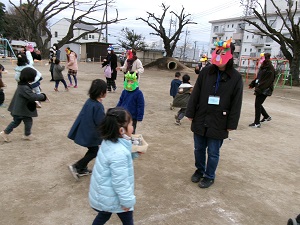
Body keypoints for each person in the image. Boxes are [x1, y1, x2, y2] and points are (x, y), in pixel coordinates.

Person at [186, 38, 243, 188]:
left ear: (230, 55)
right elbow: (196, 93)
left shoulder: (236, 78)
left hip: (219, 120)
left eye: (223, 52)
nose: (220, 55)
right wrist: (190, 112)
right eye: (218, 52)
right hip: (201, 116)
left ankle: (209, 176)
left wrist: (231, 124)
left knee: (213, 152)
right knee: (198, 148)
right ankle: (199, 170)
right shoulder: (206, 71)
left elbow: (237, 103)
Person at [89, 107, 137, 225]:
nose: (133, 127)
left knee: (104, 214)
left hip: (106, 193)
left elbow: (118, 163)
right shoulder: (119, 152)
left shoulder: (108, 141)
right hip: (114, 196)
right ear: (121, 130)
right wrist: (127, 201)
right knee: (127, 220)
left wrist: (134, 154)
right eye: (131, 124)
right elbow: (120, 181)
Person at [68, 79, 107, 180]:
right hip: (91, 133)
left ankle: (82, 168)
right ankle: (77, 166)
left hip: (85, 129)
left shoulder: (90, 101)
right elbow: (101, 122)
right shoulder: (98, 106)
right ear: (102, 92)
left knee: (92, 150)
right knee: (94, 151)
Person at [0, 67, 48, 142]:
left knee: (18, 121)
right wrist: (43, 96)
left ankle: (21, 134)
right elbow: (32, 96)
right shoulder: (24, 87)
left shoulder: (22, 85)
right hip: (21, 110)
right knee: (25, 121)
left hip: (19, 109)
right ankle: (23, 134)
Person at [248, 52, 275, 128]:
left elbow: (267, 81)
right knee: (258, 104)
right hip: (260, 88)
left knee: (257, 104)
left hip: (265, 89)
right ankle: (266, 116)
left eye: (262, 58)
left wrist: (259, 88)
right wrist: (252, 84)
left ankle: (257, 123)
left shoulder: (270, 68)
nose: (260, 59)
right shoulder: (263, 67)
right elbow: (259, 77)